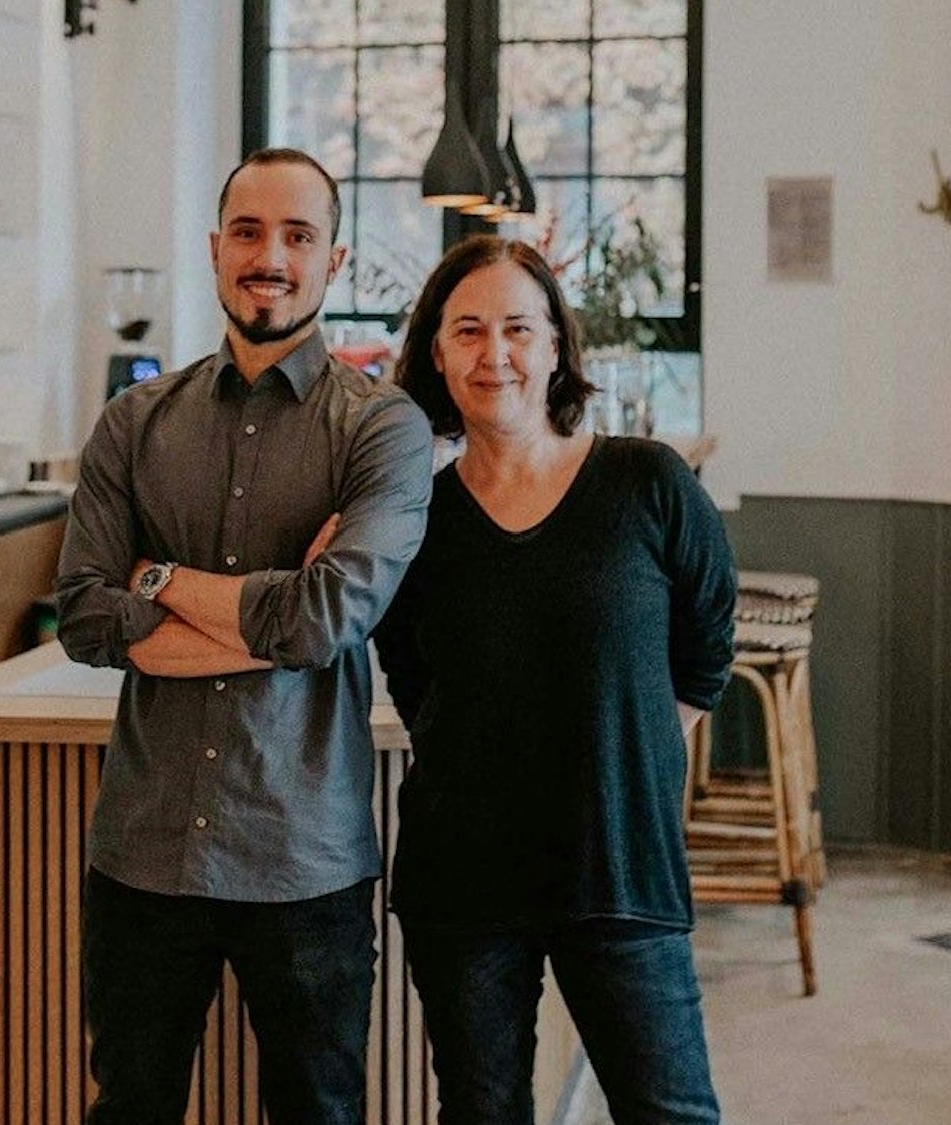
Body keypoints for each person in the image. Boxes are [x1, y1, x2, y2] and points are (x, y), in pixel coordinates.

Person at [53, 148, 434, 1124]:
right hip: (141, 853)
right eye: (250, 232)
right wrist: (276, 609)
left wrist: (163, 582)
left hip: (306, 857)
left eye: (298, 235)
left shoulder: (381, 429)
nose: (271, 256)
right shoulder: (132, 423)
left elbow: (328, 618)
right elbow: (88, 618)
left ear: (333, 260)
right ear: (215, 247)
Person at [373, 235, 735, 1124]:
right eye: (467, 330)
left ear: (557, 348)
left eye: (516, 328)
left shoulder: (645, 481)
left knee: (672, 1112)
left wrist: (628, 748)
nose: (494, 353)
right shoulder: (416, 523)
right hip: (464, 880)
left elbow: (707, 647)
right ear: (436, 353)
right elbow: (415, 681)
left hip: (620, 866)